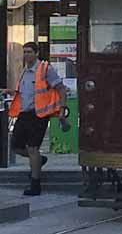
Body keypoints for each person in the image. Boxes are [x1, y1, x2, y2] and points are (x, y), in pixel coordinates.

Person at [0, 42, 68, 196]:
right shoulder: (25, 71)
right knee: (16, 146)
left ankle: (35, 184)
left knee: (32, 148)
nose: (26, 55)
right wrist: (10, 91)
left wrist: (62, 109)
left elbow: (61, 88)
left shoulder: (45, 69)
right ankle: (39, 160)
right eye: (24, 52)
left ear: (37, 53)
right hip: (24, 114)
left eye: (29, 52)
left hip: (39, 115)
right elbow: (25, 92)